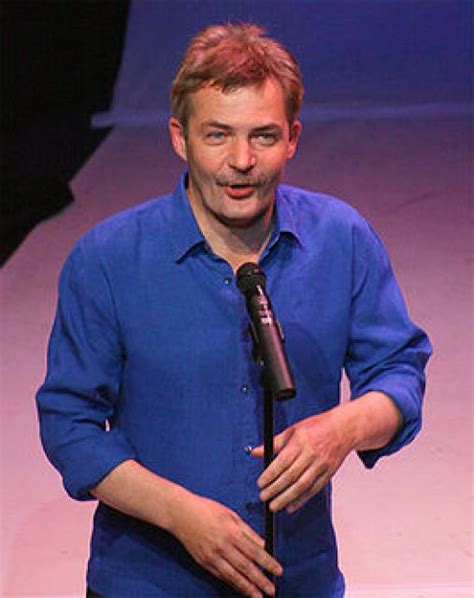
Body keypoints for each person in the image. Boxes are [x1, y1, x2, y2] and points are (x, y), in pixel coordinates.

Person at [36, 23, 431, 598]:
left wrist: (343, 428)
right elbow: (69, 424)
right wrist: (178, 515)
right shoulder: (108, 259)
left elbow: (399, 373)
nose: (242, 160)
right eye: (217, 135)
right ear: (180, 137)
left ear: (292, 138)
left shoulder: (342, 239)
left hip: (298, 581)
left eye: (263, 136)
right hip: (148, 584)